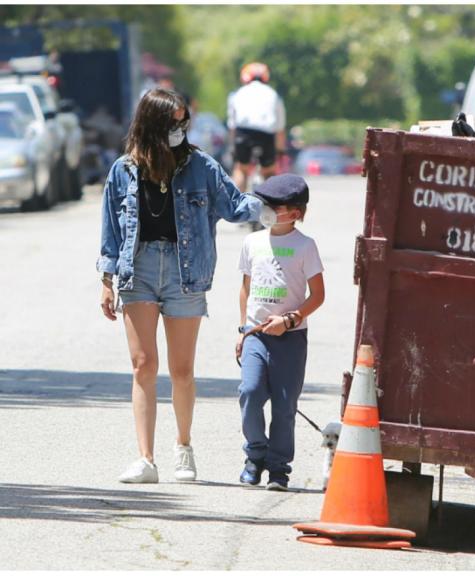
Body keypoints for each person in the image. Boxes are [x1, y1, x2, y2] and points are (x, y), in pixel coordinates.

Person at [98, 88, 263, 483]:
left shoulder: (201, 166)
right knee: (143, 365)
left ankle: (183, 447)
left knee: (182, 369)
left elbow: (236, 205)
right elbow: (110, 231)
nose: (181, 128)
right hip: (136, 270)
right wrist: (106, 280)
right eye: (174, 122)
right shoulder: (123, 170)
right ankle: (146, 458)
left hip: (184, 271)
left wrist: (279, 203)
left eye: (184, 121)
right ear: (153, 124)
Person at [236, 174, 325, 491]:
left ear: (296, 212)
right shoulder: (252, 242)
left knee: (285, 406)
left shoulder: (305, 246)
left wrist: (290, 319)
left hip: (290, 339)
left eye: (276, 206)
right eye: (265, 205)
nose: (268, 210)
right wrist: (244, 330)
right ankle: (255, 454)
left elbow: (317, 295)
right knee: (249, 392)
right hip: (256, 335)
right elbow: (245, 290)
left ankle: (278, 467)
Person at [227, 62, 286, 193]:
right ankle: (273, 204)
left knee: (241, 170)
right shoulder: (273, 94)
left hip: (243, 133)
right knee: (269, 171)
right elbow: (280, 128)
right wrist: (280, 150)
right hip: (266, 135)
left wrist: (232, 147)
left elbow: (232, 126)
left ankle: (237, 207)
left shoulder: (237, 94)